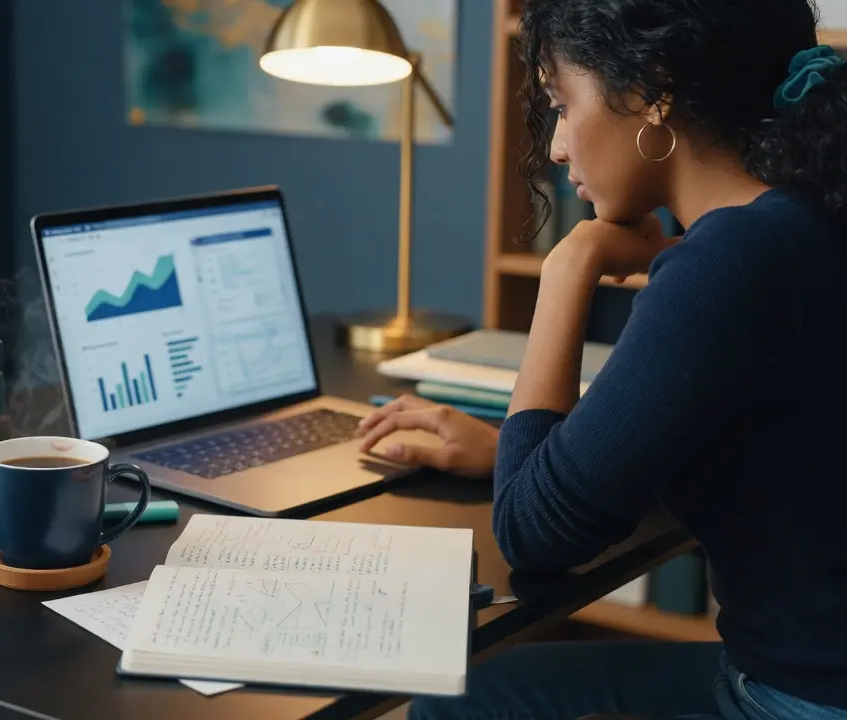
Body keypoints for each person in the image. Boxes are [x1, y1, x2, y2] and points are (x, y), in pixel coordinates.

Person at [357, 1, 847, 718]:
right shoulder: (806, 220)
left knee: (457, 706)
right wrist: (513, 454)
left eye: (562, 104)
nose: (557, 147)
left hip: (794, 698)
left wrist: (569, 265)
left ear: (655, 90)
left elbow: (530, 536)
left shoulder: (728, 265)